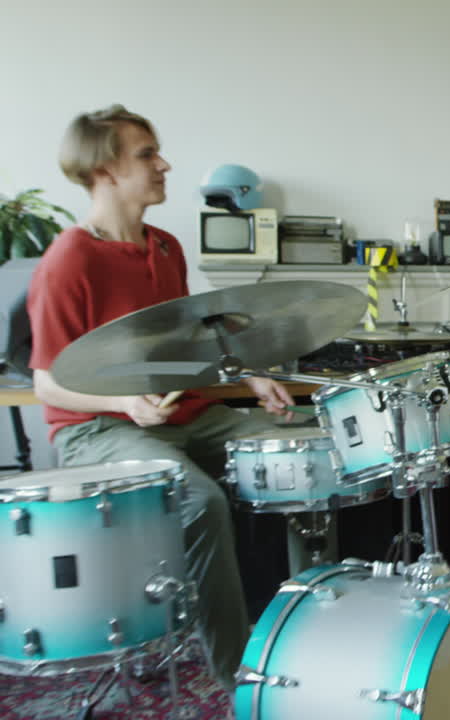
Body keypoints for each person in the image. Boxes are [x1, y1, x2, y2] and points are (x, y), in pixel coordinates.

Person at [27, 104, 296, 691]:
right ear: (105, 170)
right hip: (94, 430)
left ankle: (305, 634)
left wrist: (248, 374)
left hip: (187, 416)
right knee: (198, 502)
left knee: (299, 453)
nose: (164, 164)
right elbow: (45, 381)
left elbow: (192, 342)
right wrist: (124, 405)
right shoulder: (69, 259)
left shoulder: (166, 247)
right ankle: (240, 676)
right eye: (147, 154)